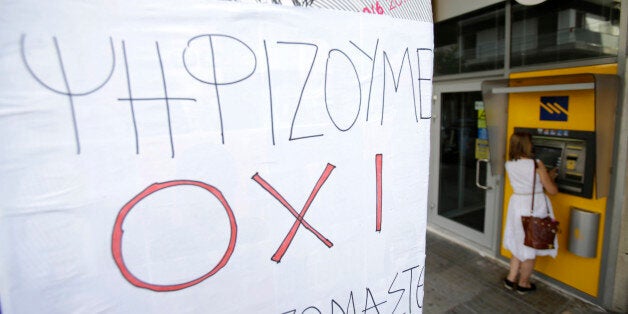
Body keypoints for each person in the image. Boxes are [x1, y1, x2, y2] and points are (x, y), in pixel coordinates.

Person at [502, 131, 558, 294]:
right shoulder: (536, 164)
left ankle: (510, 278)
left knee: (519, 242)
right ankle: (523, 283)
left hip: (517, 205)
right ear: (528, 145)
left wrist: (544, 176)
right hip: (534, 207)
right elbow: (552, 190)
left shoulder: (509, 164)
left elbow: (526, 182)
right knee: (530, 247)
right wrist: (550, 176)